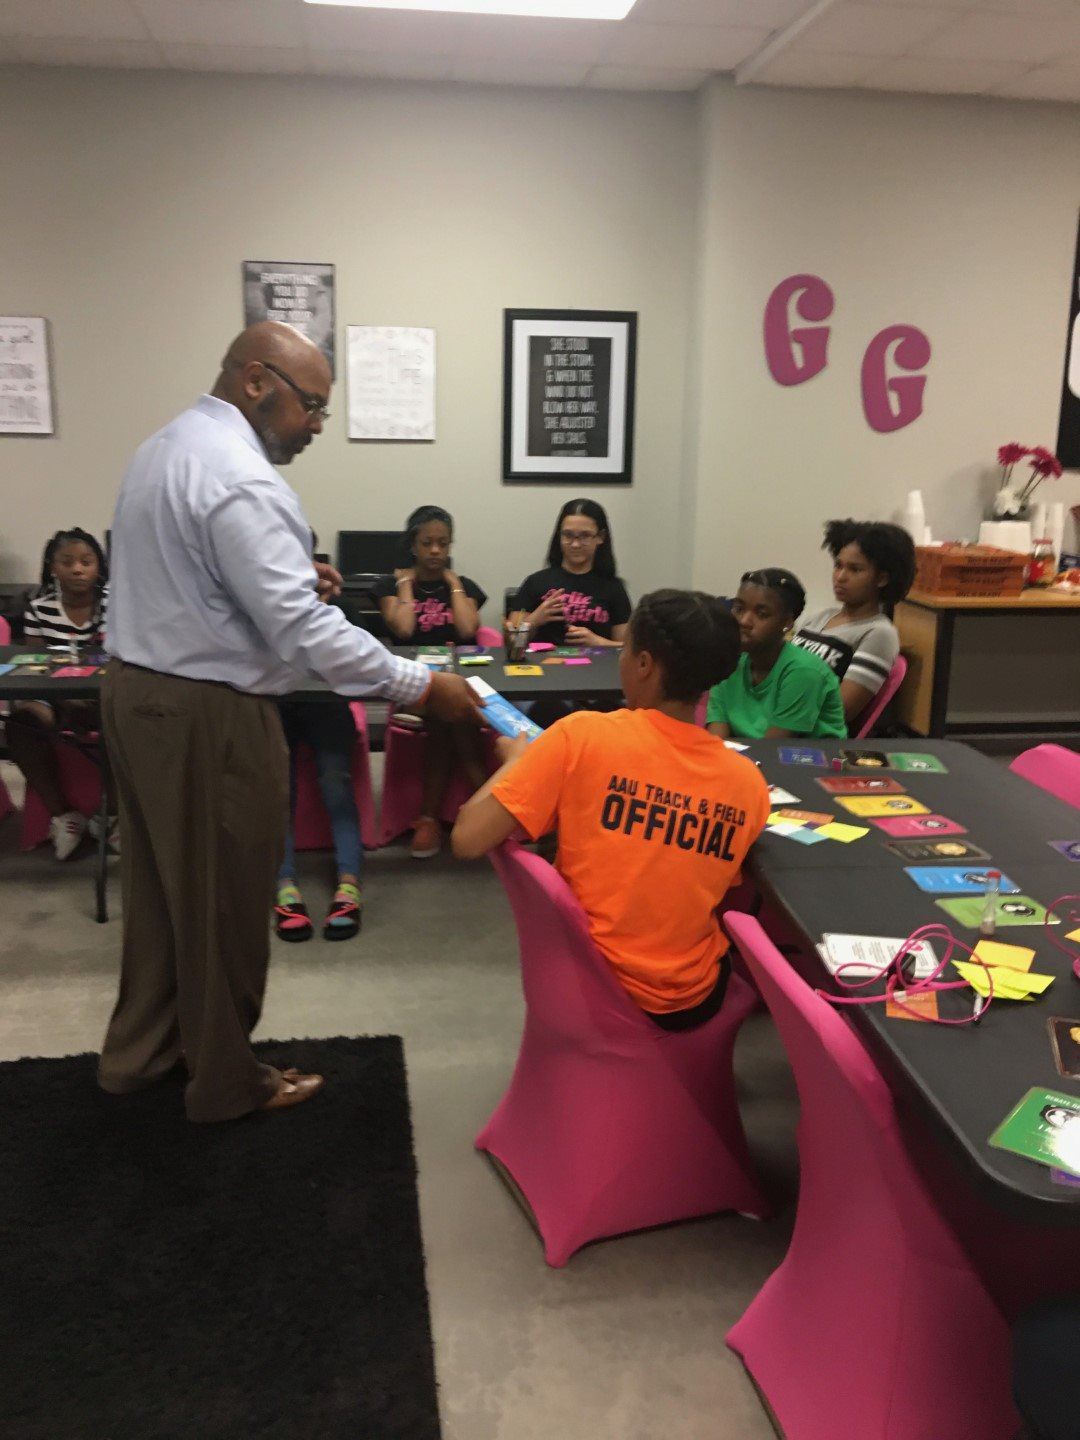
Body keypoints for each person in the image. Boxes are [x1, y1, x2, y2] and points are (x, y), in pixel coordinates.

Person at [99, 321, 478, 1122]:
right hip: (208, 712)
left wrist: (297, 579)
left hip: (137, 692)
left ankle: (140, 1056)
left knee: (164, 899)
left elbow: (199, 579)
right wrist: (420, 685)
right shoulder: (243, 479)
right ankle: (228, 1085)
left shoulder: (164, 448)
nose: (315, 425)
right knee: (228, 906)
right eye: (311, 406)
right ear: (257, 381)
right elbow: (305, 637)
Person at [452, 590, 770, 1029]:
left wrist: (517, 763)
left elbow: (467, 838)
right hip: (687, 1000)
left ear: (644, 664)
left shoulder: (581, 736)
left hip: (581, 978)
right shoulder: (748, 783)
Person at [374, 505, 489, 858]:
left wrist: (454, 585)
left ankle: (429, 820)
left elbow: (470, 630)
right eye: (427, 543)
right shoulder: (388, 585)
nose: (436, 551)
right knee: (452, 716)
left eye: (443, 543)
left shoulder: (463, 586)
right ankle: (491, 811)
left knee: (446, 717)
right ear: (414, 545)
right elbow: (404, 629)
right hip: (411, 683)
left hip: (452, 685)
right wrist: (407, 585)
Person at [7, 528, 115, 859]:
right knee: (21, 724)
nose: (78, 569)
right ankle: (63, 815)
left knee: (132, 721)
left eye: (86, 561)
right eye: (67, 562)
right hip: (54, 699)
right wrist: (61, 697)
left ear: (99, 565)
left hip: (105, 697)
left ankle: (113, 817)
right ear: (53, 567)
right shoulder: (39, 609)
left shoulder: (115, 603)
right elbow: (36, 666)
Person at [792, 519, 915, 726]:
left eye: (855, 569)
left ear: (882, 579)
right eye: (838, 566)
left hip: (809, 736)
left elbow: (839, 712)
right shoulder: (819, 618)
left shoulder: (879, 633)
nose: (840, 577)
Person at [706, 569, 846, 740]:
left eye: (761, 614)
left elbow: (773, 748)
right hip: (744, 759)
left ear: (787, 623)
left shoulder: (803, 671)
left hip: (800, 760)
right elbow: (716, 741)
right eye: (739, 608)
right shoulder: (728, 661)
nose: (744, 621)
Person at [509, 498, 631, 647]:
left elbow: (627, 649)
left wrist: (598, 642)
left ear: (600, 537)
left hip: (596, 667)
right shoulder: (535, 582)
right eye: (568, 535)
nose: (575, 544)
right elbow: (512, 642)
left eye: (585, 536)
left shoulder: (613, 588)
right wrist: (534, 620)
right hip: (543, 668)